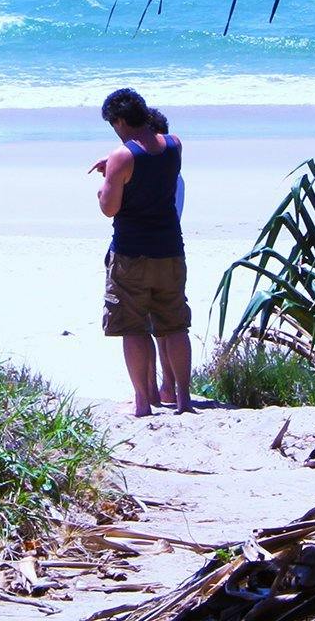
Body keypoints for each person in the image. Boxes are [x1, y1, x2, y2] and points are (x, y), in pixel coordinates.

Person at [89, 87, 193, 415]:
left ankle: (142, 402)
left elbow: (110, 208)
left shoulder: (122, 157)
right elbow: (151, 165)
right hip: (170, 250)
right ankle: (184, 399)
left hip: (132, 253)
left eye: (114, 124)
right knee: (175, 324)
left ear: (120, 121)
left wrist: (106, 185)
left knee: (132, 326)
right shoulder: (174, 145)